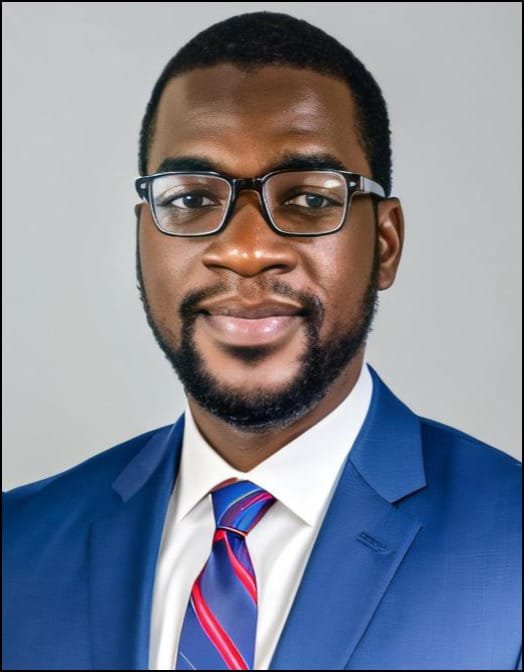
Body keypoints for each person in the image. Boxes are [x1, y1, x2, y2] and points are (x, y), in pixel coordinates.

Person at [2, 10, 521, 671]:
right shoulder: (17, 546)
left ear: (385, 243)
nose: (246, 251)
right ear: (143, 236)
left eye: (309, 199)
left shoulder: (509, 548)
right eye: (191, 200)